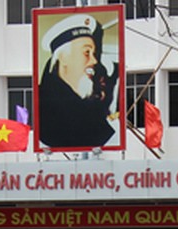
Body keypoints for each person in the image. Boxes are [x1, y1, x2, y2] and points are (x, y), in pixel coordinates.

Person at [37, 13, 120, 149]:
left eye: (94, 54)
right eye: (87, 52)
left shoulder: (94, 104)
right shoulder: (42, 103)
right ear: (63, 57)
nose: (94, 61)